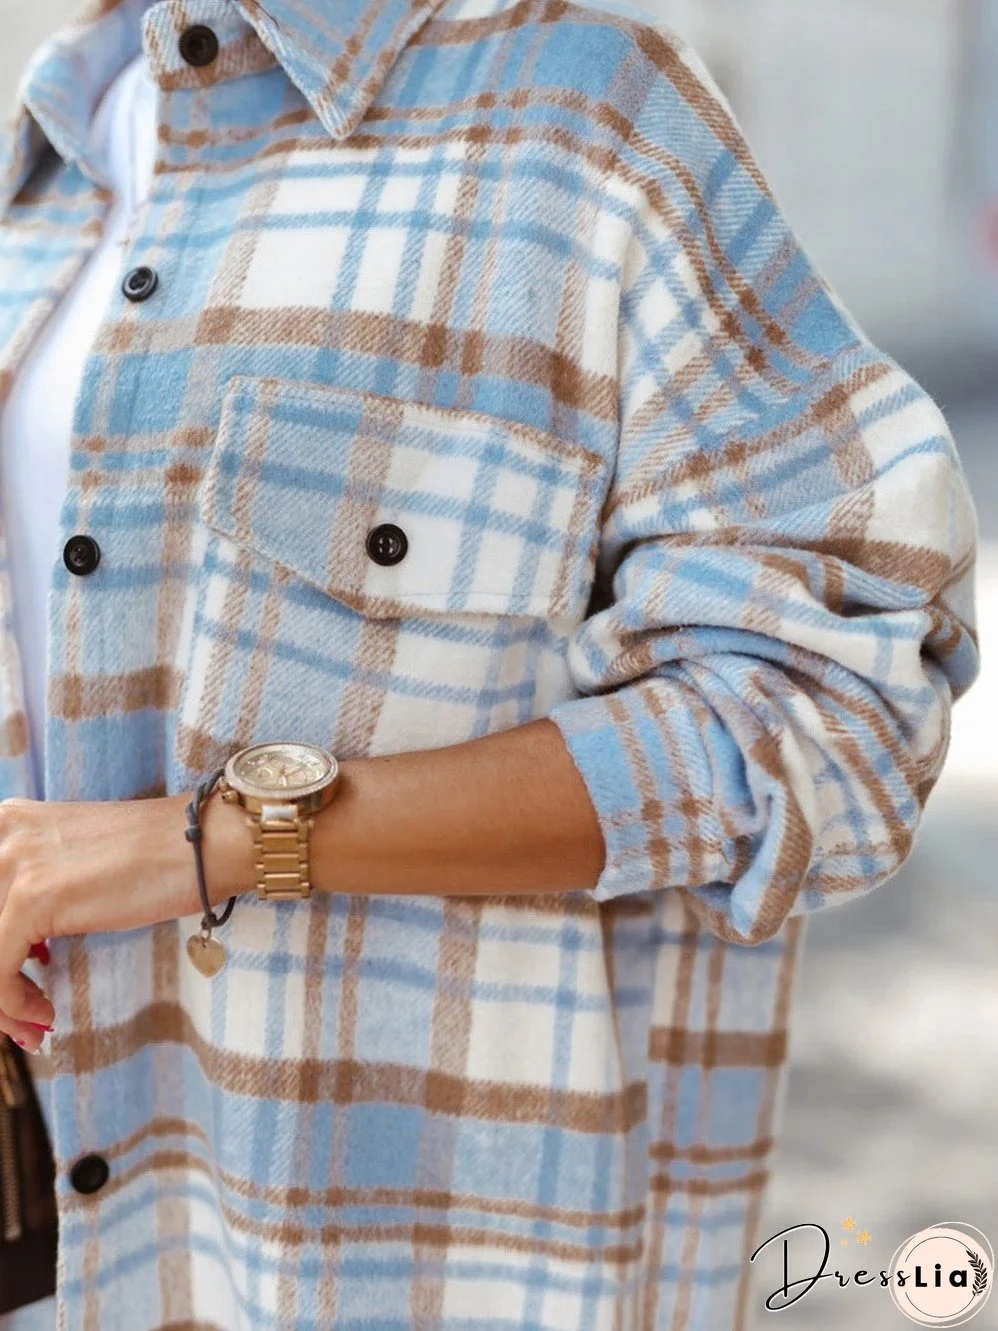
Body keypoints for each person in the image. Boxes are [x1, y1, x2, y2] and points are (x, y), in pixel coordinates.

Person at [0, 0, 980, 1323]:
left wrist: (205, 837)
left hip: (406, 1260)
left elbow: (832, 706)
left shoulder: (579, 116)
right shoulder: (52, 146)